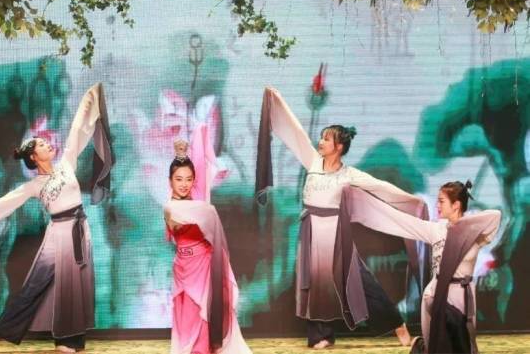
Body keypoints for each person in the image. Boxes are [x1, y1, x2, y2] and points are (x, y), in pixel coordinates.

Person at [256, 86, 427, 349]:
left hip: (335, 235)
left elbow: (381, 187)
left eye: (326, 139)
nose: (320, 142)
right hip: (311, 232)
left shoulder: (349, 175)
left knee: (361, 281)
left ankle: (399, 326)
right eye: (322, 138)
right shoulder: (313, 162)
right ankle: (321, 335)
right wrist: (276, 100)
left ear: (338, 147)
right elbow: (295, 132)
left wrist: (411, 200)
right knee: (314, 284)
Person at [0, 83, 113, 353]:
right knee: (35, 284)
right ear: (34, 157)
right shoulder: (33, 186)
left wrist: (91, 98)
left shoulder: (66, 164)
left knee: (76, 286)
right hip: (58, 232)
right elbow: (3, 205)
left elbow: (77, 130)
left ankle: (70, 341)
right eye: (41, 144)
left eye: (45, 142)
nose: (47, 143)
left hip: (80, 229)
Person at [347, 180, 501, 353]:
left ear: (456, 205)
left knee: (466, 346)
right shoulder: (436, 229)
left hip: (461, 293)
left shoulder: (474, 232)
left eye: (441, 201)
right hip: (435, 293)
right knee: (433, 346)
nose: (437, 205)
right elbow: (398, 221)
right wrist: (361, 204)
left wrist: (461, 226)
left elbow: (495, 216)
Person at [163, 130, 251, 354]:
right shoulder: (171, 207)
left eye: (189, 179)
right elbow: (185, 217)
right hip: (183, 267)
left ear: (194, 181)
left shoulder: (199, 204)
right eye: (179, 179)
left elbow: (204, 213)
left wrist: (199, 134)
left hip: (204, 265)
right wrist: (206, 210)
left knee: (204, 313)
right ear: (170, 181)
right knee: (186, 315)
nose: (184, 184)